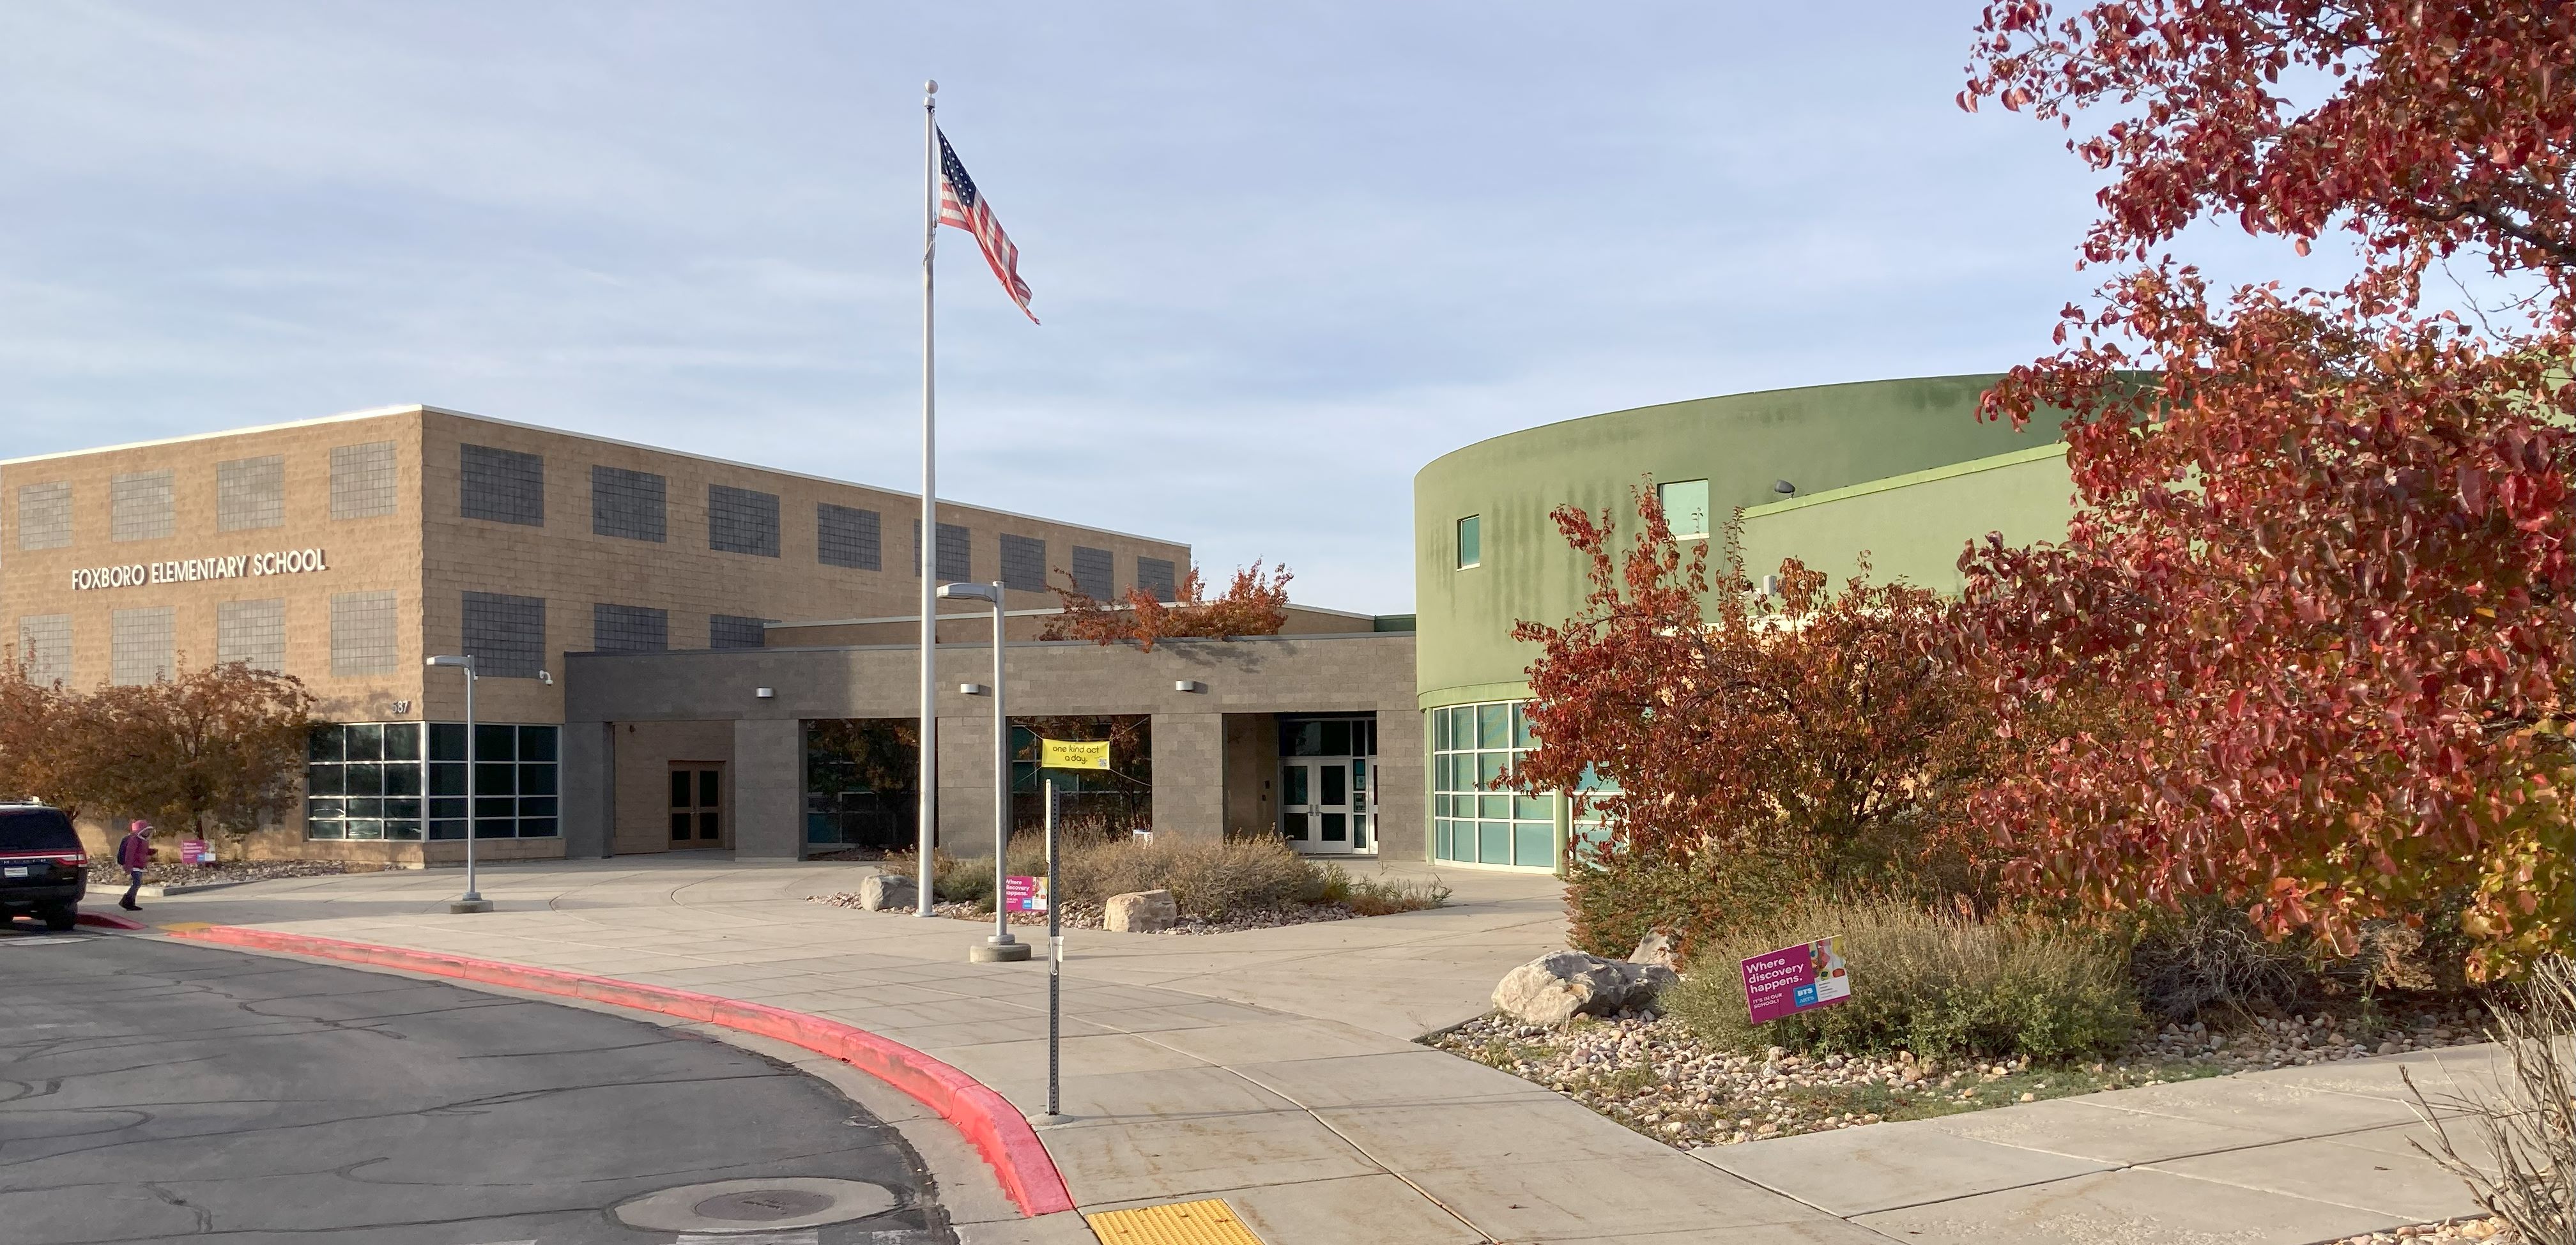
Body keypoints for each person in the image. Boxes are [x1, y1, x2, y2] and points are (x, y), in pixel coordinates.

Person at [115, 821, 153, 912]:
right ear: (140, 830)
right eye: (146, 830)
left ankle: (129, 902)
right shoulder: (134, 840)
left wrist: (151, 852)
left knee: (137, 883)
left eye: (148, 830)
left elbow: (142, 851)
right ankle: (127, 902)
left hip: (139, 865)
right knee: (137, 883)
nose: (147, 832)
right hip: (134, 866)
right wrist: (128, 866)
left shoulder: (142, 840)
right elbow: (130, 853)